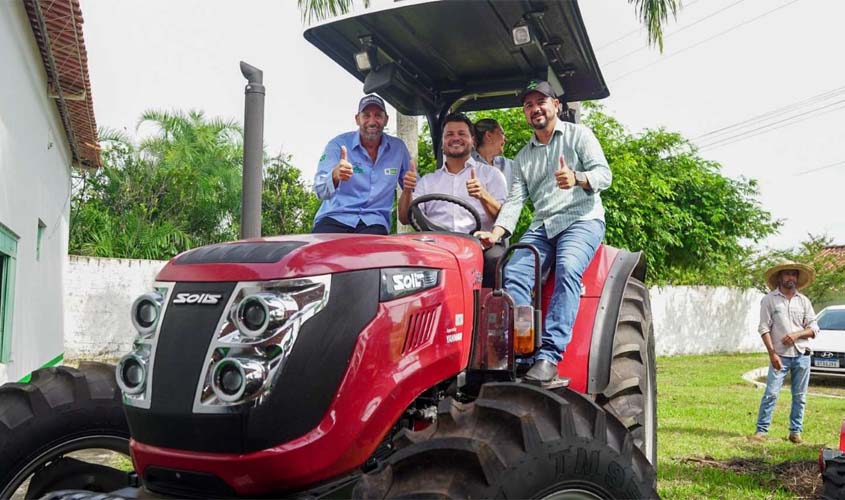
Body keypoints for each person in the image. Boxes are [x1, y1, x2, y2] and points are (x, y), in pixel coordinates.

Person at [474, 81, 612, 383]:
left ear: (556, 105)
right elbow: (515, 201)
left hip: (581, 220)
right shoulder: (524, 157)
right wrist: (496, 233)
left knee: (568, 267)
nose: (535, 108)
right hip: (544, 225)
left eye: (541, 102)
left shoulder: (579, 136)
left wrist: (577, 177)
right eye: (528, 105)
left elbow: (605, 175)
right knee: (513, 272)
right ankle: (523, 352)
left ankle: (549, 355)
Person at [398, 113, 507, 286]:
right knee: (403, 258)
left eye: (461, 133)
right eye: (449, 134)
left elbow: (504, 217)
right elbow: (405, 217)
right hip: (436, 246)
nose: (455, 138)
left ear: (472, 140)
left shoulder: (491, 175)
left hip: (479, 244)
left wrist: (483, 195)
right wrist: (406, 191)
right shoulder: (428, 181)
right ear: (442, 142)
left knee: (496, 259)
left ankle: (487, 303)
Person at [312, 94, 411, 235]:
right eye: (366, 115)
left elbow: (416, 188)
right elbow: (319, 191)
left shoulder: (398, 148)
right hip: (335, 217)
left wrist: (410, 187)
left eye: (378, 115)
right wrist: (335, 175)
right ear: (357, 119)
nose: (372, 121)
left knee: (377, 249)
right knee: (320, 248)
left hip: (374, 223)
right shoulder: (337, 144)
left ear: (386, 120)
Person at [750, 260, 819, 444]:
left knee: (800, 396)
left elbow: (814, 328)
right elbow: (764, 328)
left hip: (802, 354)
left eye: (794, 274)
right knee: (771, 393)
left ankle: (795, 432)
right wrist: (772, 354)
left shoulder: (803, 301)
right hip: (780, 355)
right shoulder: (769, 300)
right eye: (787, 274)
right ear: (780, 277)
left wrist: (797, 334)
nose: (791, 277)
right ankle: (761, 431)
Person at [472, 118, 514, 189]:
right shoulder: (466, 164)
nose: (506, 140)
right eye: (502, 133)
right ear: (489, 135)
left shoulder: (510, 165)